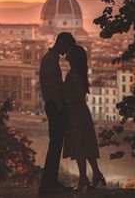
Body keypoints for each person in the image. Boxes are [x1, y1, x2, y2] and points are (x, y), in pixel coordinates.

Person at [63, 45, 106, 191]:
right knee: (86, 145)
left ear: (73, 58)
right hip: (80, 113)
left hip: (76, 114)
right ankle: (96, 174)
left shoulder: (74, 74)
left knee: (79, 147)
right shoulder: (77, 73)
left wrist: (63, 97)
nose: (66, 55)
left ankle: (83, 178)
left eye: (69, 53)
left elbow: (77, 96)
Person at [38, 32, 76, 196]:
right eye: (67, 47)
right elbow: (54, 88)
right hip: (55, 106)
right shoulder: (51, 60)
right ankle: (48, 184)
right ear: (61, 43)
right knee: (55, 146)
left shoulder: (50, 58)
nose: (67, 52)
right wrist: (62, 107)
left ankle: (50, 182)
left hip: (53, 105)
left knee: (55, 145)